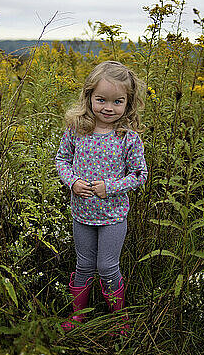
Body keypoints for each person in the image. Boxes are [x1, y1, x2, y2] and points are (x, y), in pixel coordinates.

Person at [55, 60, 148, 334]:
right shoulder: (76, 129)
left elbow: (140, 174)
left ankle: (119, 319)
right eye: (101, 100)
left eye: (117, 101)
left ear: (128, 103)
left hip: (113, 216)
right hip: (82, 214)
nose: (108, 108)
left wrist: (111, 187)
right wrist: (72, 182)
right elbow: (62, 160)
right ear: (88, 97)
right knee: (83, 265)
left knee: (107, 266)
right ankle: (78, 315)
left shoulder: (127, 138)